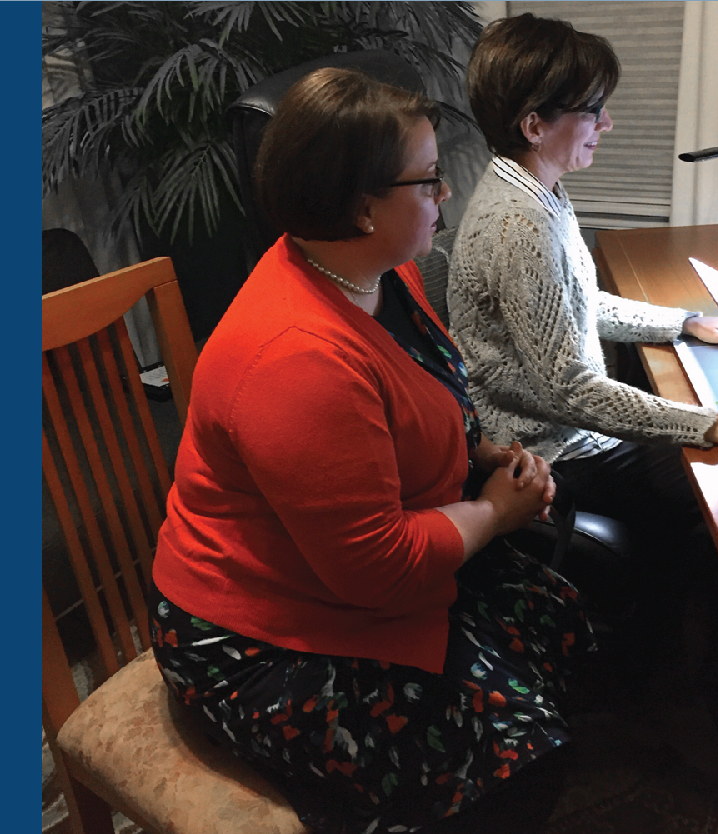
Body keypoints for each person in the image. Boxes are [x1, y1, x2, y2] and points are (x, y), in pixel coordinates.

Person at [151, 68, 594, 834]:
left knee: (559, 625)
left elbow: (415, 406)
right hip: (254, 630)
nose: (445, 195)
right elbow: (374, 564)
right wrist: (493, 512)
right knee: (519, 754)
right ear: (362, 208)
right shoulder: (296, 358)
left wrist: (483, 456)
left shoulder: (374, 273)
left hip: (338, 568)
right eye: (428, 182)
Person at [448, 14, 718, 671]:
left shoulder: (534, 192)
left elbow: (574, 303)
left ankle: (684, 634)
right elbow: (569, 391)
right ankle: (701, 672)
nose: (608, 123)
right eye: (593, 109)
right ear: (535, 124)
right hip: (547, 448)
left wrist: (678, 324)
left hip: (565, 423)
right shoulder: (520, 227)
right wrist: (713, 425)